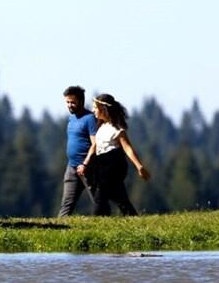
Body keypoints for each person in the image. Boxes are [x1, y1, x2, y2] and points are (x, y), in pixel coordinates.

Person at [76, 94, 151, 216]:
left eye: (95, 107)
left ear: (104, 109)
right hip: (101, 163)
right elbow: (95, 146)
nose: (93, 110)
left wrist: (139, 166)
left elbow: (127, 148)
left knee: (101, 196)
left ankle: (98, 219)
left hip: (113, 164)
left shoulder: (116, 129)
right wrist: (86, 163)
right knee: (119, 196)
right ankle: (132, 217)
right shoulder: (101, 127)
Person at [58, 85, 98, 216]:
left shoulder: (90, 118)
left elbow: (95, 144)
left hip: (88, 167)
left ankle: (108, 224)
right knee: (67, 203)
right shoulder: (71, 118)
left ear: (81, 101)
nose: (70, 105)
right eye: (67, 102)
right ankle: (59, 229)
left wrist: (85, 164)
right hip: (72, 166)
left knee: (98, 201)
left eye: (73, 102)